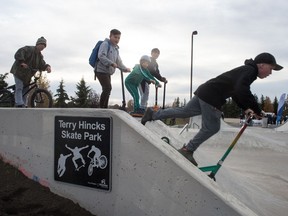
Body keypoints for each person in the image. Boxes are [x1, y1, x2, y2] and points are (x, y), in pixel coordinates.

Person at [141, 52, 283, 166]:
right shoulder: (250, 71)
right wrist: (257, 109)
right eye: (270, 69)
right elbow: (241, 90)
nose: (270, 73)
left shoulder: (245, 70)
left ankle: (153, 114)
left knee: (185, 111)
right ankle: (187, 150)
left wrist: (246, 108)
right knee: (212, 127)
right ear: (262, 65)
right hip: (212, 96)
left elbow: (236, 92)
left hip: (206, 91)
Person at [10, 36, 52, 107]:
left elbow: (42, 64)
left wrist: (47, 67)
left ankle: (23, 104)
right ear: (37, 44)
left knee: (26, 89)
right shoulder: (29, 49)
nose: (43, 47)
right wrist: (22, 62)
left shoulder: (40, 56)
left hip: (27, 75)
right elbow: (20, 52)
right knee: (19, 86)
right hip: (19, 71)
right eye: (42, 44)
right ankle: (19, 103)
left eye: (44, 46)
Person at [95, 29, 131, 108]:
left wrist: (125, 69)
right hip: (100, 70)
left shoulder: (116, 49)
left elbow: (119, 62)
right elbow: (101, 56)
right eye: (115, 37)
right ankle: (102, 108)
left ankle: (105, 108)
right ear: (110, 36)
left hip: (108, 72)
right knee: (107, 88)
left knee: (108, 90)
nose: (117, 40)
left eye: (118, 38)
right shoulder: (105, 44)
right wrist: (111, 63)